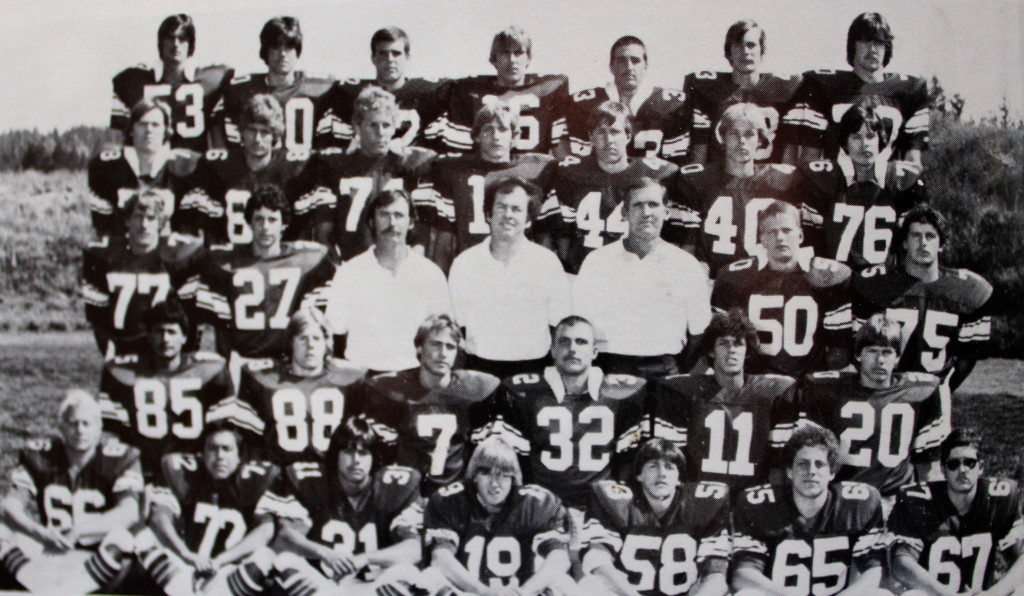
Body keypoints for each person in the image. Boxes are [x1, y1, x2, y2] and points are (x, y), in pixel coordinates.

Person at [483, 315, 647, 559]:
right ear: (553, 349)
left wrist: (612, 508)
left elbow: (628, 464)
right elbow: (515, 464)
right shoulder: (523, 392)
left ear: (594, 351)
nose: (572, 349)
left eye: (581, 342)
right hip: (543, 507)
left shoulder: (622, 394)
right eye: (564, 342)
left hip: (599, 509)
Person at [193, 184, 335, 387]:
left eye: (272, 220)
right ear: (249, 223)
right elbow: (212, 330)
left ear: (284, 224)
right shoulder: (224, 263)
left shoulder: (309, 260)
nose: (265, 227)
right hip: (241, 362)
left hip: (286, 365)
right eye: (259, 219)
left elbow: (315, 323)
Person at [0, 390, 142, 594]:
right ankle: (49, 587)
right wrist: (39, 532)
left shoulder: (119, 458)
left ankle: (57, 590)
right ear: (61, 427)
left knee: (124, 538)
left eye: (86, 424)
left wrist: (80, 530)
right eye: (72, 423)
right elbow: (10, 507)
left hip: (97, 558)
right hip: (51, 551)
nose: (80, 430)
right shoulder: (41, 456)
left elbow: (129, 512)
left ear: (99, 427)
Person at [801, 314, 949, 510]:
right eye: (871, 351)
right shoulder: (826, 390)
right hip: (841, 501)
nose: (880, 360)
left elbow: (929, 468)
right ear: (858, 355)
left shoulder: (922, 391)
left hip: (894, 500)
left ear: (897, 357)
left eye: (887, 352)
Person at [730, 423, 892, 596]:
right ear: (789, 471)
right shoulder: (760, 505)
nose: (811, 471)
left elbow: (875, 571)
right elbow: (743, 574)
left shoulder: (858, 504)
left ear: (832, 472)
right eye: (802, 464)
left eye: (820, 464)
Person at [270, 416, 425, 595]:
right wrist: (324, 553)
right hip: (324, 587)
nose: (356, 460)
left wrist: (364, 559)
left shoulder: (397, 486)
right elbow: (286, 538)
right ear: (335, 455)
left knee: (408, 572)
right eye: (348, 452)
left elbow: (413, 549)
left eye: (364, 453)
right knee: (285, 561)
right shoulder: (311, 482)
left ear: (374, 457)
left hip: (371, 588)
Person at [574, 177, 711, 377]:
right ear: (624, 212)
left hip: (664, 368)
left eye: (653, 204)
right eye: (637, 205)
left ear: (666, 212)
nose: (646, 213)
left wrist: (677, 372)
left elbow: (699, 333)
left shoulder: (686, 264)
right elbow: (579, 325)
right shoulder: (597, 261)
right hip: (609, 367)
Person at [653, 309, 799, 491]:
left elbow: (779, 466)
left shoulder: (774, 392)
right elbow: (673, 462)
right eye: (724, 344)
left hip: (750, 496)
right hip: (699, 497)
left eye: (738, 344)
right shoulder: (682, 392)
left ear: (747, 351)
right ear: (711, 351)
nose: (732, 351)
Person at [852, 205, 992, 392]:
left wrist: (942, 392)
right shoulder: (878, 286)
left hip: (933, 390)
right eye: (916, 235)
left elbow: (966, 359)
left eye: (930, 236)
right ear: (904, 243)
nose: (923, 243)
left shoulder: (967, 290)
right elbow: (858, 349)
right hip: (884, 391)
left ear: (941, 244)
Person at [359, 314, 500, 495]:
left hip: (455, 494)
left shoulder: (475, 390)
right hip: (408, 490)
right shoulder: (392, 390)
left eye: (450, 347)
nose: (442, 353)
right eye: (435, 344)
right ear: (419, 348)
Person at [138, 421, 281, 596]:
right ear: (202, 454)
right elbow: (159, 518)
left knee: (265, 555)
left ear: (239, 456)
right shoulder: (184, 474)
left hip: (228, 573)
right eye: (213, 449)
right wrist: (185, 554)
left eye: (227, 449)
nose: (220, 456)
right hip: (185, 568)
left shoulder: (255, 480)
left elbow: (266, 530)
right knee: (143, 538)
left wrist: (222, 560)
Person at [448, 177, 572, 378]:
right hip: (479, 368)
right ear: (488, 214)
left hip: (533, 369)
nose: (508, 215)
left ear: (528, 220)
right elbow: (455, 326)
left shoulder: (547, 263)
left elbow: (560, 324)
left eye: (516, 209)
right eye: (501, 207)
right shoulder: (465, 263)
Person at [712, 200, 852, 377]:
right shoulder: (735, 278)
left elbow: (839, 346)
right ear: (762, 239)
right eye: (772, 232)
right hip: (754, 382)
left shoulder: (828, 276)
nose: (780, 237)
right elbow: (723, 341)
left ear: (801, 235)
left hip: (807, 382)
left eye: (787, 230)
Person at [420, 437, 576, 594]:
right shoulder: (451, 501)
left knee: (564, 583)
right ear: (474, 476)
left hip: (523, 593)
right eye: (486, 473)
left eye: (503, 474)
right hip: (468, 592)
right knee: (430, 578)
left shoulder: (536, 503)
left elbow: (559, 558)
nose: (495, 483)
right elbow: (440, 557)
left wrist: (522, 592)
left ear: (514, 477)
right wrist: (485, 592)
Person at [672, 102, 811, 278]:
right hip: (713, 277)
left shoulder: (783, 181)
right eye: (733, 134)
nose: (741, 141)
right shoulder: (698, 180)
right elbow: (687, 247)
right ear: (722, 137)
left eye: (749, 134)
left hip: (763, 279)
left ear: (760, 140)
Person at [98, 299, 233, 480]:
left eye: (171, 332)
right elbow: (110, 431)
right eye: (159, 331)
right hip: (140, 467)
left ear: (184, 337)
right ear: (149, 335)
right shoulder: (121, 372)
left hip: (192, 468)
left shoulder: (211, 370)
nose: (165, 339)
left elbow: (223, 432)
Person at [578, 438, 731, 596]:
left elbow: (716, 577)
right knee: (589, 586)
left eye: (669, 467)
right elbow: (598, 561)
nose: (662, 473)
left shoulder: (702, 506)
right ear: (639, 475)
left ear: (679, 478)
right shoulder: (618, 503)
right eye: (652, 466)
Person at [415, 101, 556, 273]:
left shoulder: (538, 169)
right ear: (476, 136)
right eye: (488, 130)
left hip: (520, 267)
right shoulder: (454, 170)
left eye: (503, 129)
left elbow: (544, 234)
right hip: (471, 266)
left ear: (514, 137)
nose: (496, 136)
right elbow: (445, 238)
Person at [297, 85, 436, 260]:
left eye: (386, 125)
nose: (380, 133)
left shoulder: (408, 165)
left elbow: (420, 235)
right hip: (352, 264)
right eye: (372, 125)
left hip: (396, 266)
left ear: (395, 127)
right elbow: (324, 234)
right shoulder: (335, 167)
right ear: (357, 126)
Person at [325, 189, 451, 373]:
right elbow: (334, 332)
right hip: (363, 378)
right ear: (371, 222)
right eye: (384, 215)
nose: (392, 223)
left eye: (399, 215)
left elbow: (444, 334)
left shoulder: (430, 274)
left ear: (411, 223)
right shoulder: (350, 273)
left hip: (413, 377)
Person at [781, 12, 929, 167]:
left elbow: (913, 163)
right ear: (853, 45)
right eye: (865, 41)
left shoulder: (909, 90)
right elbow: (809, 159)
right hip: (837, 187)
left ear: (887, 48)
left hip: (885, 188)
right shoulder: (824, 87)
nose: (872, 49)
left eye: (878, 42)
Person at [889, 428, 1024, 595]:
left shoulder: (999, 498)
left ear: (980, 467)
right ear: (943, 469)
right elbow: (901, 562)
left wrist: (994, 593)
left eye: (969, 462)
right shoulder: (918, 500)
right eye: (954, 464)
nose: (962, 470)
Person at [549, 100, 679, 274]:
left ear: (628, 136)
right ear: (591, 137)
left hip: (633, 271)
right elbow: (564, 234)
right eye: (601, 132)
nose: (609, 140)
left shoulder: (656, 174)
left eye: (615, 131)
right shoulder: (572, 173)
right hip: (584, 269)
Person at [175, 93, 318, 247]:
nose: (257, 139)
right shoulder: (220, 166)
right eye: (252, 130)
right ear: (242, 131)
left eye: (264, 132)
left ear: (275, 135)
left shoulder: (292, 168)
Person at [229, 308, 365, 464]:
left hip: (330, 477)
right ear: (290, 342)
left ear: (327, 343)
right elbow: (250, 443)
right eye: (303, 338)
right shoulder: (264, 380)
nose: (310, 345)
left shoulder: (349, 381)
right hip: (280, 475)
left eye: (316, 338)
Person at [82, 189, 205, 360]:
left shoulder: (179, 256)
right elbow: (98, 317)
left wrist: (185, 355)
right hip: (122, 348)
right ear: (127, 220)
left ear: (161, 223)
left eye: (151, 218)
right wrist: (108, 351)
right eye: (138, 217)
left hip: (163, 348)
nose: (144, 225)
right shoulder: (103, 255)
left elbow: (191, 317)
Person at [802, 104, 927, 271]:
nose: (864, 144)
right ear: (845, 143)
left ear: (880, 140)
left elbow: (913, 245)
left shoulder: (902, 182)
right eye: (856, 137)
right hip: (835, 279)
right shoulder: (824, 180)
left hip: (884, 279)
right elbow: (810, 242)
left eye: (870, 136)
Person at [683, 20, 801, 165]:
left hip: (768, 179)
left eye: (751, 45)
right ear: (729, 52)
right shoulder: (708, 90)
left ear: (762, 51)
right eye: (738, 45)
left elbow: (790, 147)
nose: (745, 51)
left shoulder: (785, 88)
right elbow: (699, 149)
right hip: (721, 179)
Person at [110, 14, 233, 154]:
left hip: (194, 166)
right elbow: (118, 136)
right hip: (150, 165)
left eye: (182, 38)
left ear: (190, 43)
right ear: (160, 42)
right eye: (170, 38)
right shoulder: (134, 80)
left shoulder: (212, 79)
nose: (175, 44)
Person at [438, 25, 569, 155]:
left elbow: (561, 151)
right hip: (487, 171)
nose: (512, 60)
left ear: (528, 58)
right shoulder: (469, 92)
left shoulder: (551, 89)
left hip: (534, 172)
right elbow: (458, 153)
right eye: (505, 53)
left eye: (518, 53)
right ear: (494, 59)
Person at [314, 26, 448, 152]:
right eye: (383, 54)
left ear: (407, 57)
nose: (390, 60)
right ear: (373, 58)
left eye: (396, 53)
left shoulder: (428, 92)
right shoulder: (351, 94)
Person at [214, 16, 334, 152]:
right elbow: (225, 137)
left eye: (289, 47)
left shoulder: (317, 87)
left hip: (303, 170)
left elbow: (329, 143)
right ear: (266, 51)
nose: (283, 54)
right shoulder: (242, 90)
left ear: (297, 51)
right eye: (276, 47)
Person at [565, 35, 688, 164]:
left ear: (645, 65)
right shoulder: (587, 104)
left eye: (635, 60)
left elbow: (675, 164)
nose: (629, 67)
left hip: (652, 181)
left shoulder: (670, 104)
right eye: (621, 61)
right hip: (601, 181)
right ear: (611, 67)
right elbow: (580, 161)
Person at [89, 98, 197, 239]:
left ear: (166, 131)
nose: (149, 130)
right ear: (132, 129)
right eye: (142, 124)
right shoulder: (110, 168)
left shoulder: (183, 167)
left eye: (155, 125)